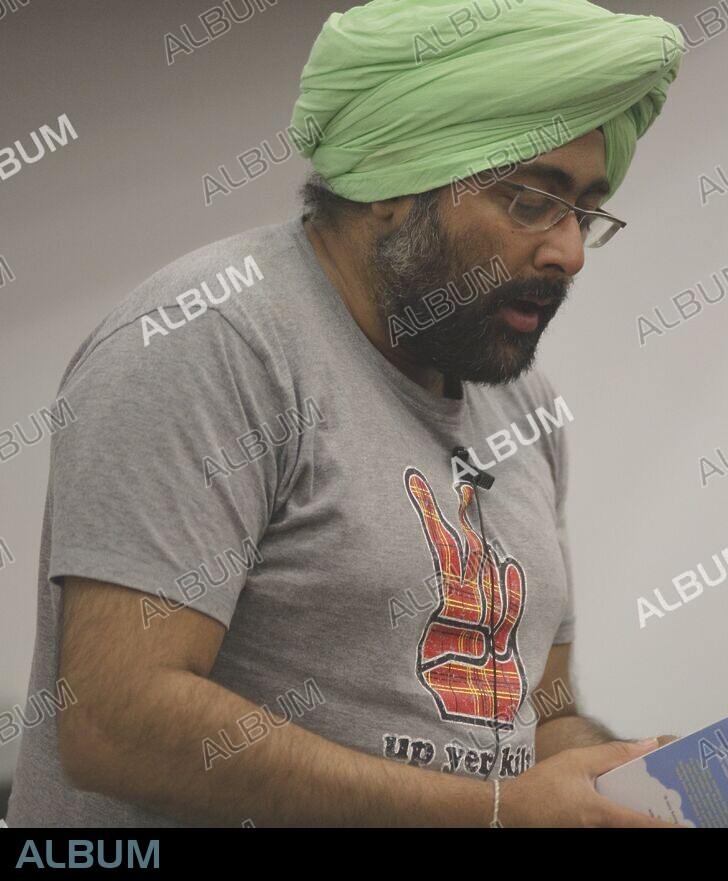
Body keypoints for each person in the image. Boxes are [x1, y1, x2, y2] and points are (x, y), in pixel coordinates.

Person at [5, 0, 682, 827]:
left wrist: (615, 779)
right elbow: (117, 721)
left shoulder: (517, 396)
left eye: (586, 211)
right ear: (392, 185)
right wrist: (496, 812)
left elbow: (536, 714)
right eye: (532, 202)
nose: (570, 251)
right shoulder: (209, 342)